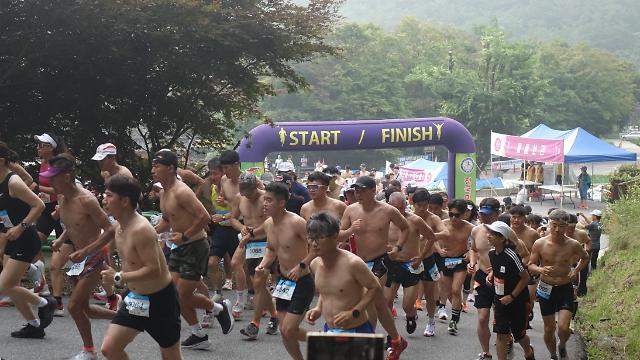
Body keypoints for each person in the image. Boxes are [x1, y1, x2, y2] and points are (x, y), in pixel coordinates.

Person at [152, 150, 234, 350]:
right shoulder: (163, 192)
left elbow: (204, 217)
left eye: (157, 166)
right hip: (179, 248)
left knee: (181, 295)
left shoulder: (182, 191)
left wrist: (185, 235)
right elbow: (166, 219)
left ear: (170, 168)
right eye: (152, 166)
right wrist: (151, 233)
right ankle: (199, 334)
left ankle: (218, 308)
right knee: (174, 295)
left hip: (195, 246)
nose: (153, 170)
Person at [42, 154, 118, 359]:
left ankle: (89, 351)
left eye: (53, 177)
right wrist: (61, 239)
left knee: (74, 306)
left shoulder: (87, 200)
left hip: (95, 256)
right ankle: (126, 318)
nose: (49, 181)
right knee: (85, 309)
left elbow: (110, 230)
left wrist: (85, 251)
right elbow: (73, 224)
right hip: (79, 259)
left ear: (66, 177)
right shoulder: (61, 197)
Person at [99, 176, 182, 359]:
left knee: (170, 356)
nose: (104, 199)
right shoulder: (119, 225)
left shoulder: (141, 229)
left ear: (125, 201)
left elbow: (154, 269)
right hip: (135, 298)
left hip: (160, 301)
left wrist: (119, 277)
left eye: (109, 195)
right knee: (110, 348)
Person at [339, 175, 409, 359]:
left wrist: (398, 248)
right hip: (359, 262)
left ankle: (368, 341)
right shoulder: (350, 210)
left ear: (373, 191)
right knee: (377, 304)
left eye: (362, 190)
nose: (358, 194)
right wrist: (350, 231)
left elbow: (405, 227)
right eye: (356, 191)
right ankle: (396, 340)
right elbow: (339, 235)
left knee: (369, 298)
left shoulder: (387, 210)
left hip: (380, 260)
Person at [250, 182, 315, 360]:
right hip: (284, 281)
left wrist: (302, 265)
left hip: (302, 280)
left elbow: (317, 246)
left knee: (288, 329)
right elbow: (271, 249)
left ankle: (325, 340)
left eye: (269, 200)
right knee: (284, 331)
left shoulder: (297, 223)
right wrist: (263, 264)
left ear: (281, 203)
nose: (265, 203)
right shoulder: (268, 224)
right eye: (265, 199)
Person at [0, 142, 56, 339]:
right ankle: (34, 326)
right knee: (12, 286)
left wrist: (20, 226)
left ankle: (45, 303)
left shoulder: (13, 182)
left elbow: (39, 205)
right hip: (11, 237)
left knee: (4, 286)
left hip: (25, 237)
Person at [306, 211, 381, 337]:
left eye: (320, 238)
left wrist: (354, 312)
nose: (314, 243)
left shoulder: (353, 263)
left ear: (335, 236)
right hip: (330, 329)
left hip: (357, 330)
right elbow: (326, 290)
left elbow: (375, 287)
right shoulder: (315, 264)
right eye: (311, 238)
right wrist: (318, 308)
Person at [528, 209, 589, 360]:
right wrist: (540, 269)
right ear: (549, 223)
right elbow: (530, 265)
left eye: (561, 226)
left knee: (563, 327)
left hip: (564, 288)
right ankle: (553, 355)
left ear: (567, 226)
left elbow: (585, 257)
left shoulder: (573, 244)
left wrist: (576, 271)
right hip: (545, 288)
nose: (557, 229)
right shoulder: (540, 243)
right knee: (549, 329)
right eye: (553, 225)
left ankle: (562, 344)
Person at [231, 172, 278, 339]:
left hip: (266, 242)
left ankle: (255, 323)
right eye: (243, 192)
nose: (247, 195)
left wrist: (251, 234)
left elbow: (271, 221)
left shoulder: (265, 198)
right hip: (250, 244)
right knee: (258, 284)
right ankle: (274, 314)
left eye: (249, 192)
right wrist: (241, 228)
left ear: (255, 187)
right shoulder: (239, 198)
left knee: (259, 281)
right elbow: (233, 219)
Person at [384, 192, 436, 335]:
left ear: (406, 205)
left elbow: (431, 238)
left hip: (410, 265)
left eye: (402, 208)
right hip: (391, 264)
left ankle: (411, 315)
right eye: (396, 208)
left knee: (407, 306)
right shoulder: (384, 220)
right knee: (386, 302)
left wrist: (421, 257)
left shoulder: (415, 220)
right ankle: (392, 335)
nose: (399, 211)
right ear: (389, 206)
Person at [92, 142, 134, 311]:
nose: (100, 163)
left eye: (103, 159)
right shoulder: (108, 173)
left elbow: (127, 200)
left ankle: (121, 291)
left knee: (113, 250)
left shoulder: (124, 174)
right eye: (99, 159)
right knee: (108, 251)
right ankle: (112, 286)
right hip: (115, 216)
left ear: (112, 158)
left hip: (127, 217)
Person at [485, 221, 536, 360]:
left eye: (492, 234)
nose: (488, 236)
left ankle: (528, 350)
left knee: (519, 335)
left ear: (502, 238)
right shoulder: (492, 254)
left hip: (517, 301)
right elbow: (498, 271)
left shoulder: (512, 255)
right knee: (501, 335)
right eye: (488, 232)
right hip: (500, 300)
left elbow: (525, 278)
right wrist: (491, 276)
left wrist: (511, 296)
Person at [33, 133, 70, 301]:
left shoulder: (59, 164)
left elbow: (60, 189)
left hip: (60, 210)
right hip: (46, 210)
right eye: (38, 145)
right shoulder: (42, 164)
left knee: (65, 252)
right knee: (34, 244)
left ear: (51, 147)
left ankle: (105, 288)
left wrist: (39, 188)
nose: (38, 148)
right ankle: (42, 286)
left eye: (42, 145)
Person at [411, 190, 449, 337]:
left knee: (430, 294)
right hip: (409, 259)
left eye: (425, 205)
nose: (422, 208)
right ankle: (411, 312)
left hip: (427, 259)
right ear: (412, 204)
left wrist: (429, 235)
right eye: (419, 205)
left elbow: (446, 233)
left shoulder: (432, 218)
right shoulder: (407, 216)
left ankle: (431, 321)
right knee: (410, 294)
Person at [469, 197, 501, 360]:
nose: (484, 217)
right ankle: (486, 352)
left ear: (498, 213)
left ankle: (505, 338)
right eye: (482, 214)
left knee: (501, 317)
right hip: (482, 277)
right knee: (482, 317)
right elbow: (474, 249)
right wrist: (473, 262)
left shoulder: (506, 232)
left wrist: (496, 271)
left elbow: (516, 256)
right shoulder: (476, 230)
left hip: (502, 278)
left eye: (488, 214)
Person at [218, 150, 249, 319]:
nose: (225, 172)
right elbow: (227, 199)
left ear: (237, 165)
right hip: (232, 223)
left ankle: (253, 295)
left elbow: (265, 199)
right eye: (222, 168)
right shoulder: (224, 180)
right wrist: (224, 202)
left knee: (251, 266)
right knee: (238, 263)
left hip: (250, 225)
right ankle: (241, 299)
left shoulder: (250, 181)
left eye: (227, 168)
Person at [207, 158, 238, 305]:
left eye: (215, 173)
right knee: (212, 262)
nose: (213, 177)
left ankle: (247, 296)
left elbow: (240, 210)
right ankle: (217, 293)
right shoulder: (213, 188)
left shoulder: (232, 187)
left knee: (239, 264)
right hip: (221, 229)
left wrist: (224, 214)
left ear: (223, 173)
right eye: (210, 174)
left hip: (235, 228)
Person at [509, 205, 540, 313]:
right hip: (509, 272)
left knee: (529, 300)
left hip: (528, 271)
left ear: (524, 218)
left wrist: (537, 268)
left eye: (519, 217)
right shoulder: (506, 232)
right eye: (513, 217)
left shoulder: (532, 234)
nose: (516, 220)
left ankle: (526, 318)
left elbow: (540, 251)